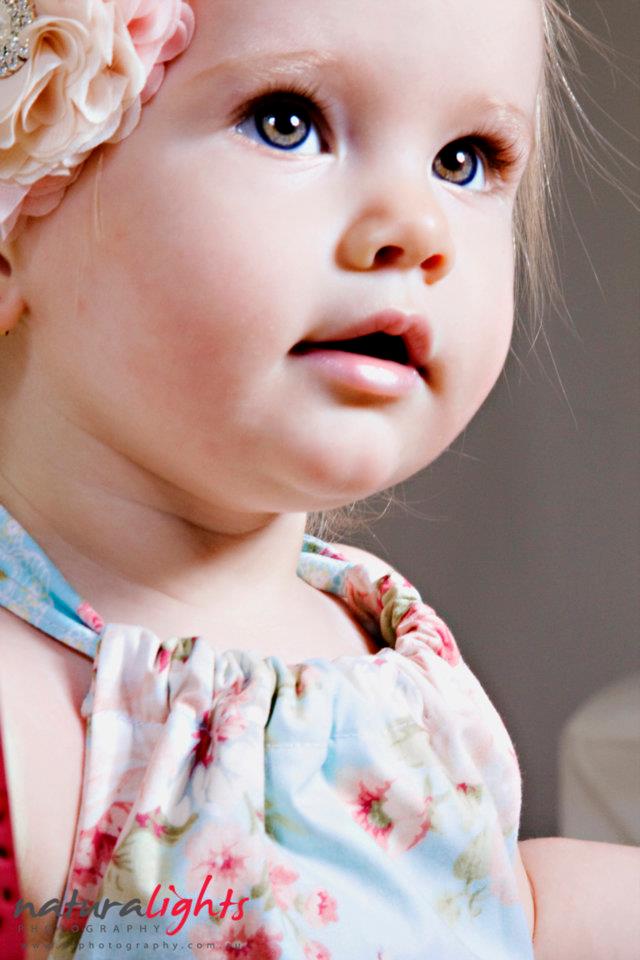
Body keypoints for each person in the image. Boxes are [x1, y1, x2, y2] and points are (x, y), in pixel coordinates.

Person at [0, 1, 637, 958]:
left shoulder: (391, 643)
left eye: (464, 160)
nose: (417, 226)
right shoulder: (28, 712)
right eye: (286, 121)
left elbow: (471, 905)